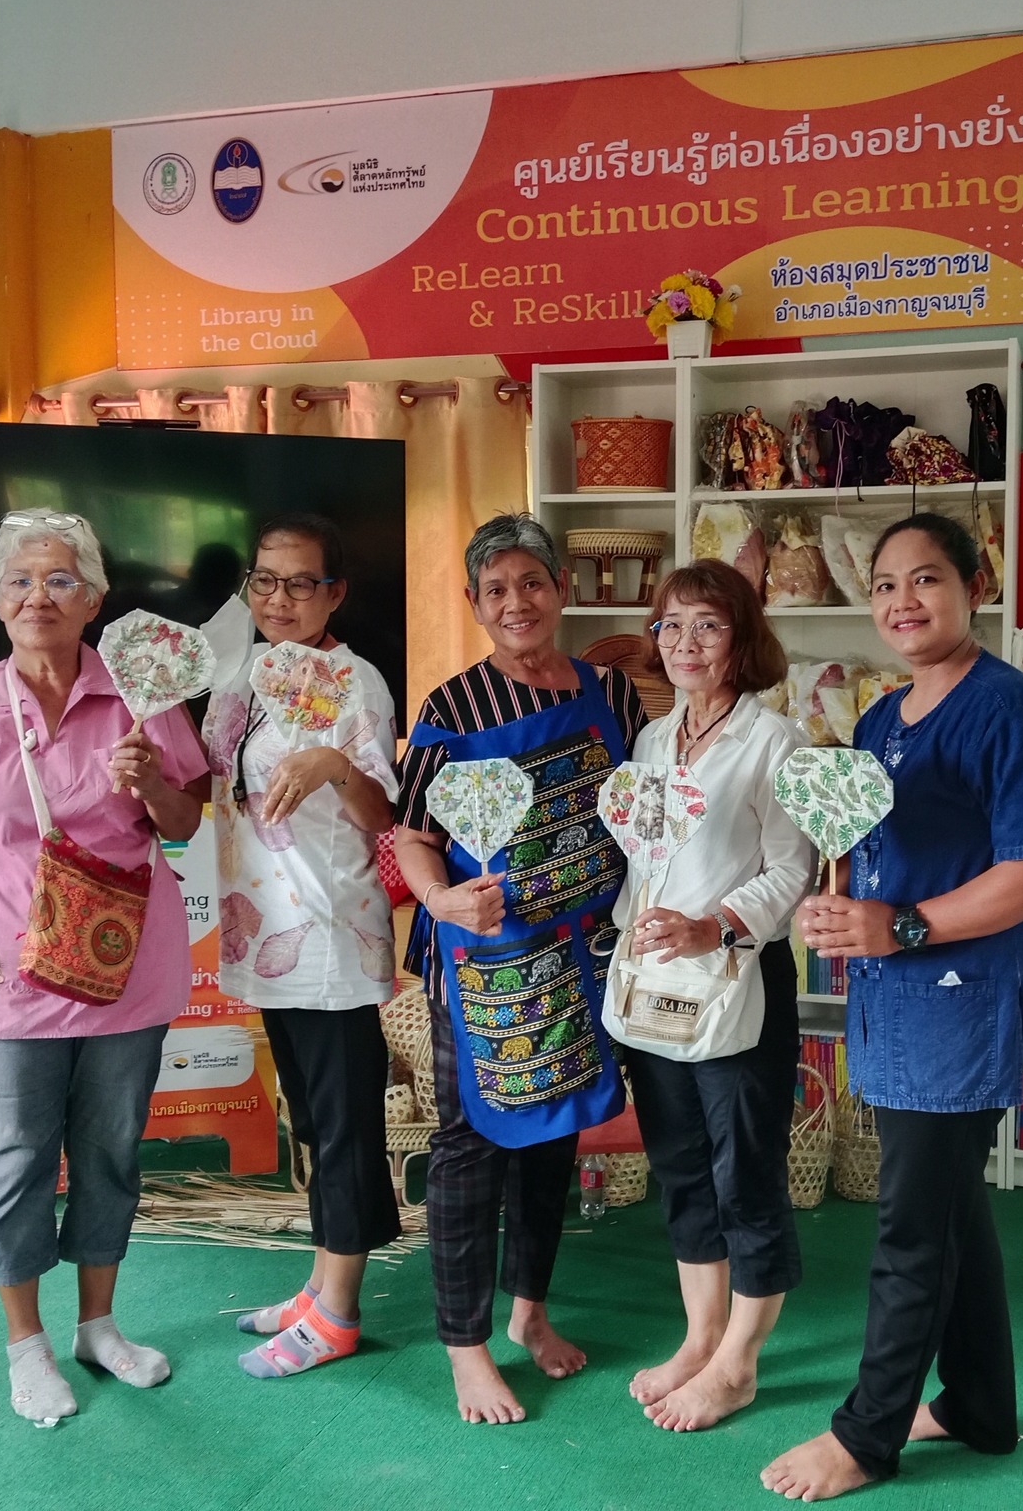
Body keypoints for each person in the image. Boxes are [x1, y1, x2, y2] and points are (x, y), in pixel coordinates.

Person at [761, 512, 1023, 1501]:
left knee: (910, 1228)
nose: (903, 601)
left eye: (926, 578)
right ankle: (979, 1404)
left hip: (962, 1004)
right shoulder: (878, 720)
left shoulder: (1010, 711)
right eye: (885, 584)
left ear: (974, 587)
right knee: (949, 1211)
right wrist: (837, 906)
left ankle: (867, 1435)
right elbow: (872, 858)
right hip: (895, 1000)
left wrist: (898, 926)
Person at [0, 509, 209, 1423]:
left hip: (127, 967)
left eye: (61, 580)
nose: (38, 596)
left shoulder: (142, 697)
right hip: (6, 978)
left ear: (94, 601)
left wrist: (148, 780)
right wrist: (9, 921)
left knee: (111, 1149)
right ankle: (25, 1346)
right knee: (13, 1155)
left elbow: (184, 823)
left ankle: (99, 1327)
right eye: (21, 581)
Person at [393, 512, 648, 1425]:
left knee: (553, 1133)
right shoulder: (453, 708)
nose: (516, 602)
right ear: (473, 603)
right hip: (486, 961)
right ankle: (466, 1349)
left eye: (531, 582)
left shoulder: (612, 692)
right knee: (470, 1147)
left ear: (561, 589)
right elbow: (413, 835)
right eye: (495, 588)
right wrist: (441, 899)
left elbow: (640, 806)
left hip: (583, 951)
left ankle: (530, 1311)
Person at [612, 559, 817, 1432]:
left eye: (707, 625)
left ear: (742, 640)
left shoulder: (775, 742)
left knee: (745, 1172)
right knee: (682, 1166)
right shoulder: (652, 743)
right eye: (670, 624)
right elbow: (643, 863)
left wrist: (714, 925)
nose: (684, 642)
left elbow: (794, 867)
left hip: (738, 977)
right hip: (656, 981)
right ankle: (700, 1341)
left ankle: (739, 1364)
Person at [202, 514, 403, 1378]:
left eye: (300, 583)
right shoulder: (240, 676)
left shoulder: (356, 681)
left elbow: (382, 811)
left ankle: (341, 1315)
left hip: (329, 940)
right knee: (316, 1124)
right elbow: (211, 781)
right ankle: (319, 1288)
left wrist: (333, 763)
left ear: (335, 593)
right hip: (263, 935)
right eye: (265, 580)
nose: (279, 599)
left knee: (347, 1126)